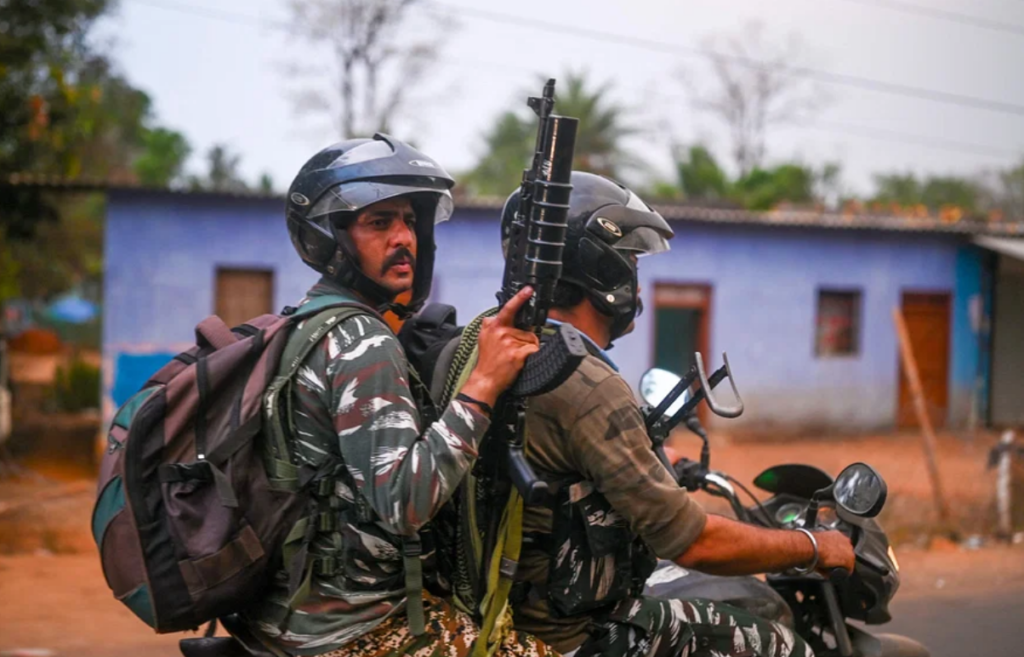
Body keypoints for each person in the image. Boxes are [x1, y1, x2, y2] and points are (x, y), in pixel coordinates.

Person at [499, 172, 856, 657]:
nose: (634, 282)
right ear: (599, 269)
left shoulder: (490, 345)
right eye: (628, 262)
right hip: (572, 634)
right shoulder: (584, 383)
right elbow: (693, 542)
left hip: (503, 613)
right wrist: (813, 547)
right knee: (779, 642)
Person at [242, 134, 548, 657]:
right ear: (331, 238)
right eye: (379, 223)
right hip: (352, 630)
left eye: (409, 220)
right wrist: (483, 384)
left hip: (285, 611)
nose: (403, 237)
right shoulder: (363, 342)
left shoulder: (304, 323)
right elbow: (405, 502)